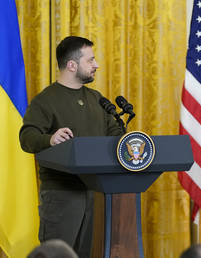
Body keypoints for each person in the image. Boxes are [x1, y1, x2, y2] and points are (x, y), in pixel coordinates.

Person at [19, 36, 123, 257]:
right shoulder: (46, 100)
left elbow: (115, 133)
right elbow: (27, 137)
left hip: (95, 193)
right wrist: (50, 139)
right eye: (91, 60)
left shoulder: (97, 99)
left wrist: (130, 143)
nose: (96, 65)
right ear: (72, 65)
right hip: (61, 195)